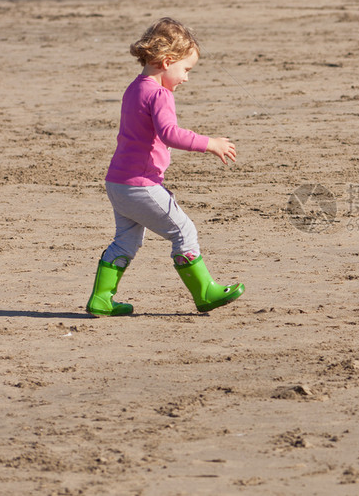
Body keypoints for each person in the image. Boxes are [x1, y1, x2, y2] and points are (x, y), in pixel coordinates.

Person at [85, 17, 244, 316]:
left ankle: (101, 299)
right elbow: (169, 133)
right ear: (166, 61)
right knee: (184, 231)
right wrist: (210, 143)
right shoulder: (159, 94)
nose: (186, 78)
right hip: (141, 185)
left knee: (126, 241)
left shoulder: (134, 88)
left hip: (117, 183)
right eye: (185, 70)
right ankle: (205, 292)